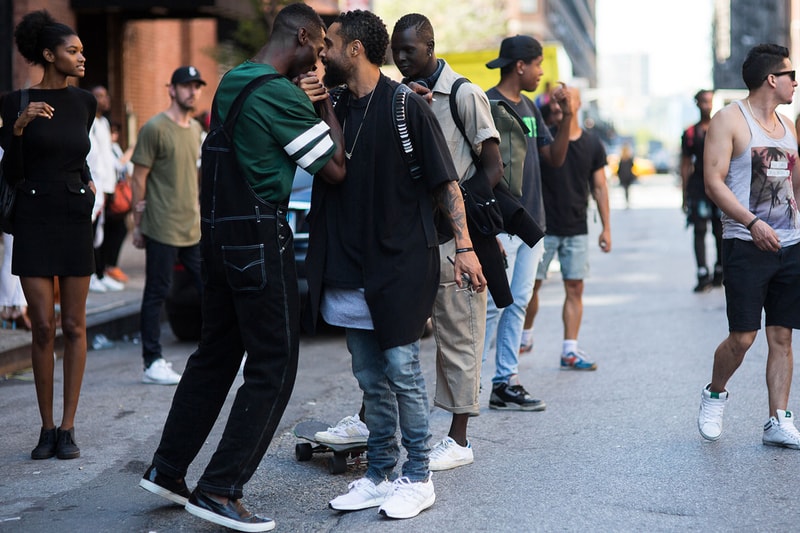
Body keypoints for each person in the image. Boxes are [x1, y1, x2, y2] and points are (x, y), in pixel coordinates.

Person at [138, 4, 345, 531]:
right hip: (258, 238)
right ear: (302, 36)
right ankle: (220, 489)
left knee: (215, 355)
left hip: (218, 241)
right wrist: (323, 107)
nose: (320, 60)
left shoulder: (233, 81)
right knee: (275, 364)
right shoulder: (282, 96)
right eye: (319, 48)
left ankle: (168, 469)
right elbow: (336, 169)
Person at [308, 9, 484, 519]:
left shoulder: (407, 105)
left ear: (355, 50)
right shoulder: (334, 103)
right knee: (369, 377)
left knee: (402, 371)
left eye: (330, 44)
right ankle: (381, 472)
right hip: (347, 264)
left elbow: (445, 184)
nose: (323, 53)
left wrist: (466, 247)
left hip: (402, 262)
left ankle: (417, 477)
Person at [389, 13, 502, 471]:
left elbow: (492, 166)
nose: (399, 59)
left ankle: (458, 440)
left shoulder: (464, 94)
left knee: (460, 337)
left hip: (453, 239)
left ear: (430, 47)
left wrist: (459, 218)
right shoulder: (398, 95)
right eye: (395, 51)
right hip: (409, 238)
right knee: (395, 335)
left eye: (408, 51)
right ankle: (371, 422)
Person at [0, 10, 96, 460]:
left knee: (75, 326)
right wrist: (18, 128)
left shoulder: (85, 103)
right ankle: (45, 428)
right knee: (42, 326)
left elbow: (77, 153)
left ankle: (69, 428)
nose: (81, 57)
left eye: (80, 50)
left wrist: (89, 184)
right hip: (34, 218)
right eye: (72, 51)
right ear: (48, 55)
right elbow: (12, 173)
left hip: (74, 217)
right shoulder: (13, 101)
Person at [698, 43, 800, 449]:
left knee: (783, 336)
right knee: (743, 337)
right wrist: (752, 222)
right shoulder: (728, 120)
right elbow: (713, 181)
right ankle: (715, 393)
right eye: (791, 75)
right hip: (745, 243)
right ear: (772, 79)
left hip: (791, 245)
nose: (795, 82)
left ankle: (778, 419)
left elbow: (795, 185)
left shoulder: (789, 125)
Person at [482, 35, 571, 411]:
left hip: (531, 224)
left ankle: (506, 382)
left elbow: (554, 158)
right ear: (520, 66)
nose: (541, 72)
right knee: (490, 308)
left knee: (519, 303)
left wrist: (568, 116)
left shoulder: (532, 107)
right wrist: (486, 228)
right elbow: (475, 169)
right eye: (537, 65)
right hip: (502, 225)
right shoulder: (487, 104)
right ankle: (466, 383)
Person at [522, 87, 611, 370]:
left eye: (567, 101)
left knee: (574, 287)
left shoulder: (593, 144)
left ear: (578, 103)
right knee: (530, 286)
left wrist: (606, 228)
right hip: (542, 227)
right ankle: (524, 336)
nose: (560, 107)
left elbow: (600, 187)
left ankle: (569, 350)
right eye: (556, 104)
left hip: (576, 227)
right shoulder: (543, 138)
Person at [130, 66, 205, 385]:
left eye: (196, 86)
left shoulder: (196, 131)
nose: (192, 91)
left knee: (211, 288)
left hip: (192, 226)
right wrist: (137, 223)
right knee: (157, 292)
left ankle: (225, 349)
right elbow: (138, 177)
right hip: (161, 225)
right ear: (171, 90)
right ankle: (152, 361)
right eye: (186, 86)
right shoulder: (155, 128)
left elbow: (196, 175)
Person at [681, 89, 723, 292]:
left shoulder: (722, 127)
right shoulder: (690, 133)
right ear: (697, 104)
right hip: (698, 188)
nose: (707, 105)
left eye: (710, 101)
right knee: (699, 230)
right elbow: (685, 164)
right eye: (703, 101)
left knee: (720, 230)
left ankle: (720, 270)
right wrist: (684, 195)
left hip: (720, 187)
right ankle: (702, 272)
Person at [87, 85, 125, 293]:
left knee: (103, 233)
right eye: (98, 96)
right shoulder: (89, 122)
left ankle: (100, 273)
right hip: (96, 186)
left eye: (105, 95)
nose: (104, 99)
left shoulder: (103, 123)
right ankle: (92, 275)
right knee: (92, 234)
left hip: (107, 186)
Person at [102, 122, 133, 284]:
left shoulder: (115, 148)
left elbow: (127, 167)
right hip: (109, 194)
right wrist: (131, 151)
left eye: (116, 132)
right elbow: (118, 165)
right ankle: (107, 267)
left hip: (116, 192)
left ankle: (111, 266)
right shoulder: (105, 149)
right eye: (112, 132)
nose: (114, 136)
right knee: (109, 232)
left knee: (119, 229)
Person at [616, 143, 636, 209]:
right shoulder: (629, 159)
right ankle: (627, 200)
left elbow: (619, 169)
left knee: (626, 189)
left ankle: (627, 200)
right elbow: (632, 166)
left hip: (624, 177)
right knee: (627, 189)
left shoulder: (622, 159)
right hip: (627, 177)